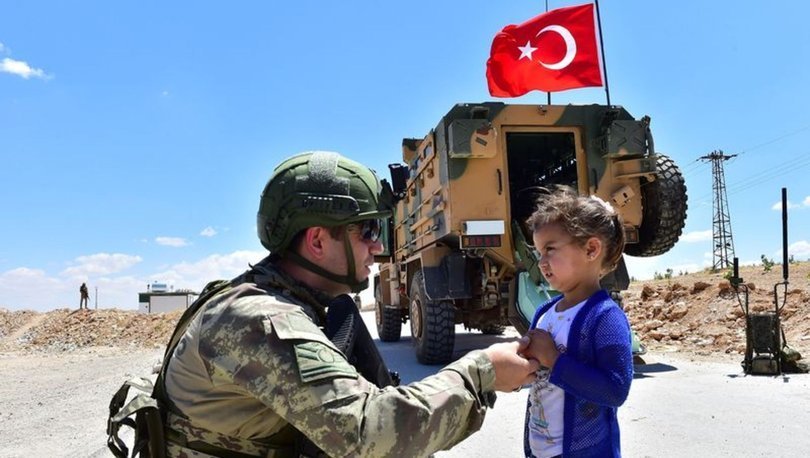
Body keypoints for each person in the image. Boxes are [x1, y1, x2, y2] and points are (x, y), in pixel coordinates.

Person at [161, 151, 540, 457]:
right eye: (368, 231)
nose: (378, 247)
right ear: (317, 241)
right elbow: (366, 435)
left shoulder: (296, 302)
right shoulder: (259, 320)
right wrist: (481, 372)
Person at [520, 186, 634, 458]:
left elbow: (615, 389)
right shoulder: (544, 312)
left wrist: (554, 360)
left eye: (550, 250)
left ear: (591, 249)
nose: (542, 262)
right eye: (538, 253)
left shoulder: (605, 318)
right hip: (540, 450)